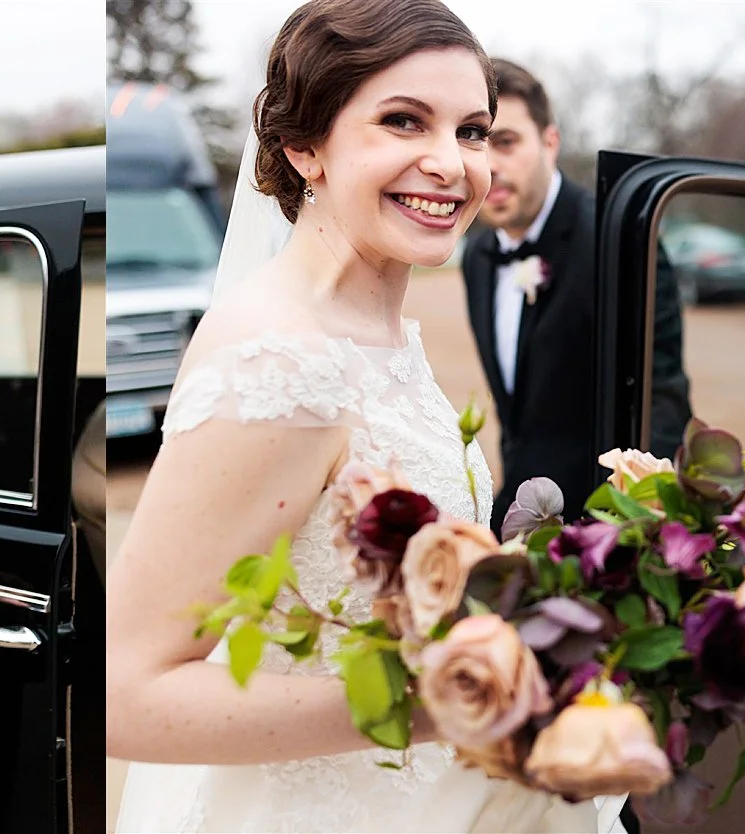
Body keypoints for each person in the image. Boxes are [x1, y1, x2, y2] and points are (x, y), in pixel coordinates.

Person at [104, 2, 627, 830]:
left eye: (473, 131)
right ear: (303, 145)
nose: (450, 164)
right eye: (402, 121)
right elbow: (126, 695)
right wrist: (451, 699)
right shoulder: (278, 361)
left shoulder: (382, 332)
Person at [461, 59, 692, 520]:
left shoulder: (618, 239)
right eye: (473, 141)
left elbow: (661, 401)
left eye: (505, 141)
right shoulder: (477, 256)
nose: (489, 165)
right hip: (522, 513)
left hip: (602, 526)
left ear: (551, 142)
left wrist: (625, 530)